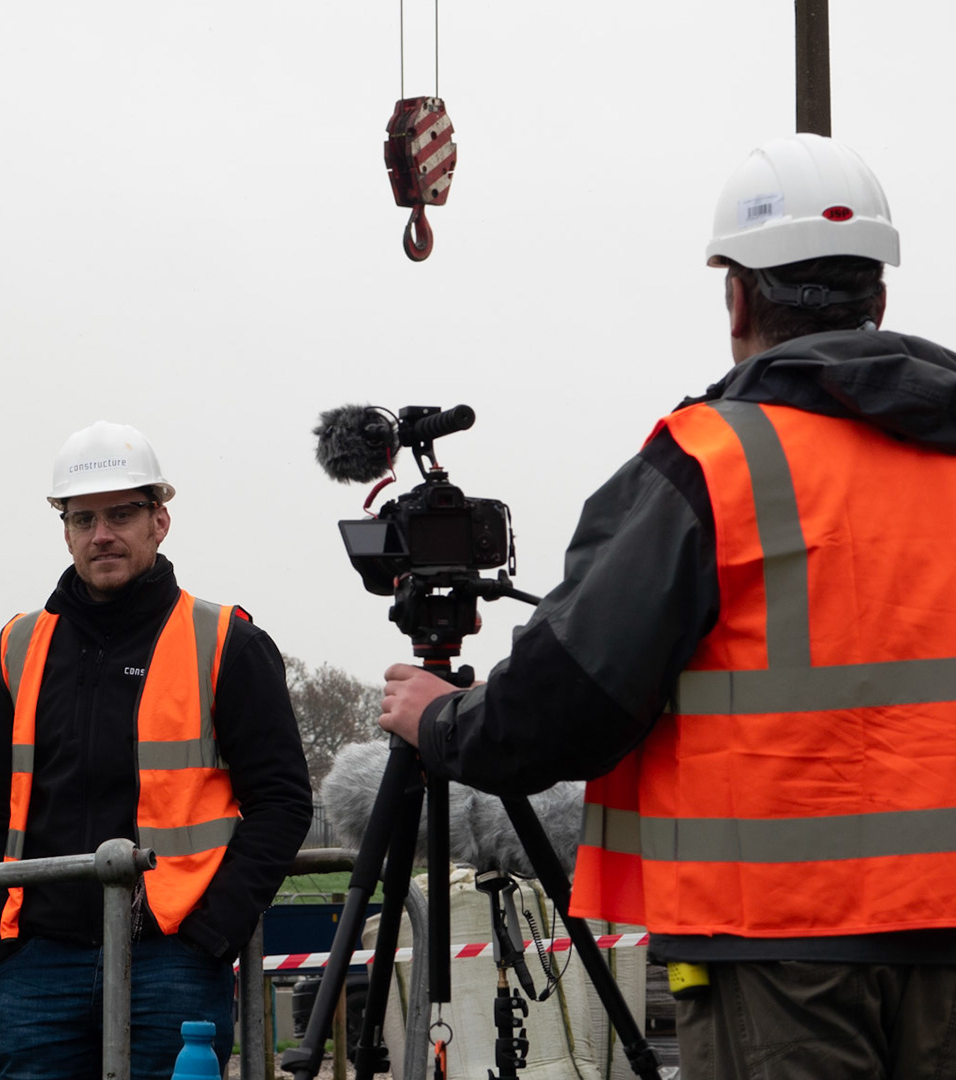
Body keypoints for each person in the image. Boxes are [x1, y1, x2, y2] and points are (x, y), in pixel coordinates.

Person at [377, 133, 956, 1078]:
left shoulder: (717, 461)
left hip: (778, 949)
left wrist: (444, 723)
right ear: (879, 298)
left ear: (737, 298)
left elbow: (566, 703)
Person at [0, 420, 313, 1079]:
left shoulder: (225, 641)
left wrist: (213, 934)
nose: (102, 535)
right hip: (37, 964)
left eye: (122, 514)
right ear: (64, 530)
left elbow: (283, 802)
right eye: (83, 518)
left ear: (160, 521)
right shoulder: (17, 647)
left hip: (172, 960)